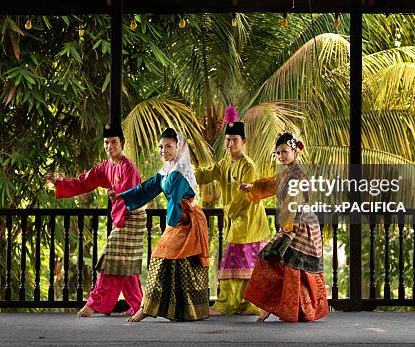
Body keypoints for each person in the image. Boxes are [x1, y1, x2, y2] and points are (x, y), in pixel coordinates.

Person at [45, 123, 146, 317]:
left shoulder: (128, 167)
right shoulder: (105, 167)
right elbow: (84, 182)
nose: (110, 146)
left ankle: (94, 304)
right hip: (121, 218)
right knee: (123, 263)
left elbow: (132, 194)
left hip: (131, 218)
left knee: (111, 259)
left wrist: (118, 194)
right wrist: (57, 183)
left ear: (122, 143)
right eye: (106, 143)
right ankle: (139, 305)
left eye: (114, 142)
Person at [120, 128, 209, 322]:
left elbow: (176, 201)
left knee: (163, 257)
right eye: (161, 146)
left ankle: (148, 309)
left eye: (168, 146)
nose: (163, 150)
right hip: (179, 220)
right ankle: (181, 311)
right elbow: (149, 187)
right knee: (175, 262)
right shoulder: (167, 170)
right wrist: (123, 196)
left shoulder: (179, 172)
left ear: (179, 147)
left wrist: (170, 226)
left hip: (185, 220)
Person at [240, 132, 329, 322]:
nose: (281, 156)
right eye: (278, 152)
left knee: (292, 267)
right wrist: (251, 187)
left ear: (295, 152)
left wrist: (287, 228)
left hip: (301, 225)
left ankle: (298, 310)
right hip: (292, 224)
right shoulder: (286, 174)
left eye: (284, 152)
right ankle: (281, 308)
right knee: (282, 264)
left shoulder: (297, 175)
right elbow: (269, 184)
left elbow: (294, 201)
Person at [195, 105, 269, 315]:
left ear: (243, 142)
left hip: (248, 219)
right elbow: (206, 174)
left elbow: (245, 196)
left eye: (234, 139)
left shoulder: (248, 165)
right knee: (242, 263)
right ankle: (245, 305)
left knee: (235, 260)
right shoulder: (224, 163)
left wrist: (230, 212)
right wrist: (187, 170)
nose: (230, 143)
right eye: (227, 140)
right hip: (235, 220)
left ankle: (229, 304)